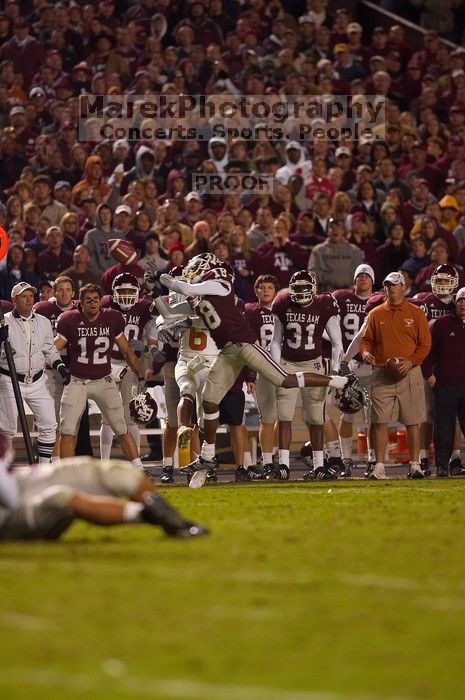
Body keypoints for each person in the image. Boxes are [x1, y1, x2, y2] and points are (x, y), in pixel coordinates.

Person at [153, 254, 350, 488]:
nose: (190, 271)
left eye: (194, 267)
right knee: (208, 399)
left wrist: (160, 276)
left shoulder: (220, 281)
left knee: (284, 380)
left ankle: (336, 381)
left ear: (207, 267)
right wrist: (152, 292)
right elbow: (169, 311)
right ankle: (207, 456)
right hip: (227, 352)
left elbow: (181, 285)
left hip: (245, 346)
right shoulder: (199, 297)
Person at [0, 437, 208, 540]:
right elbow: (9, 497)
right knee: (61, 497)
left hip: (21, 479)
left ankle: (177, 521)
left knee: (118, 473)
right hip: (7, 512)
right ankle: (148, 515)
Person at [54, 283, 145, 465]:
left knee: (121, 426)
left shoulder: (112, 318)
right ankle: (65, 473)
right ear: (81, 302)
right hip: (77, 381)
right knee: (67, 430)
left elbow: (127, 351)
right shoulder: (69, 319)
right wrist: (58, 367)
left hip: (104, 380)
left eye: (96, 300)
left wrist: (141, 377)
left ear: (100, 301)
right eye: (88, 300)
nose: (93, 304)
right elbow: (52, 348)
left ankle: (138, 469)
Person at [270, 270, 344, 480]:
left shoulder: (324, 303)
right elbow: (276, 340)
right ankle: (284, 465)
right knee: (284, 416)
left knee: (316, 418)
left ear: (313, 289)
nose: (300, 293)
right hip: (287, 363)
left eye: (305, 288)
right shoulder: (283, 302)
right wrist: (277, 367)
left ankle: (319, 465)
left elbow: (337, 344)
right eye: (297, 288)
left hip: (313, 364)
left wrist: (336, 370)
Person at [359, 271, 432, 480]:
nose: (390, 288)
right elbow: (366, 340)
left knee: (413, 420)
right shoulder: (375, 313)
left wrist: (411, 361)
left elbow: (425, 343)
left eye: (395, 284)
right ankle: (379, 466)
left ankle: (415, 465)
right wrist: (365, 353)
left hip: (410, 372)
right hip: (382, 372)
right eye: (387, 285)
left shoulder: (416, 312)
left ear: (404, 287)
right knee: (380, 421)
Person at [0, 282, 70, 463]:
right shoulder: (3, 321)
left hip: (38, 380)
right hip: (9, 379)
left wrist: (60, 366)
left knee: (49, 424)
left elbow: (49, 349)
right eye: (24, 296)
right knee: (7, 429)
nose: (29, 299)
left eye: (31, 295)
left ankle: (44, 469)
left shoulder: (44, 322)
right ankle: (4, 469)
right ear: (14, 300)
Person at [100, 273, 153, 459]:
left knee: (132, 417)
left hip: (131, 366)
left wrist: (155, 288)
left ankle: (135, 462)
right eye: (122, 291)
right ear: (113, 292)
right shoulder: (105, 304)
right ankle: (104, 465)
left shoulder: (144, 307)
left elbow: (162, 311)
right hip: (106, 365)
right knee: (107, 419)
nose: (126, 295)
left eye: (131, 291)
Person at [422, 287, 465, 477]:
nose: (463, 304)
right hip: (445, 384)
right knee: (444, 429)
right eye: (461, 300)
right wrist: (429, 376)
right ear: (455, 302)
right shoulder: (441, 324)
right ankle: (441, 465)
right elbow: (427, 353)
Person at [244, 274, 279, 477]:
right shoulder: (249, 311)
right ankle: (265, 461)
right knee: (265, 418)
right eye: (262, 287)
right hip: (260, 368)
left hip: (281, 368)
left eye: (270, 288)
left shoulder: (282, 309)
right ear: (256, 290)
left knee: (282, 418)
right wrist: (250, 373)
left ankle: (276, 457)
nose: (266, 291)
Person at [308, 216, 365, 292]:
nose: (335, 230)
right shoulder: (318, 250)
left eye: (338, 227)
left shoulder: (354, 250)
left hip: (350, 293)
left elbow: (359, 273)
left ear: (343, 231)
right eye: (332, 227)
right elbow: (312, 274)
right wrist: (334, 278)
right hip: (325, 293)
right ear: (328, 231)